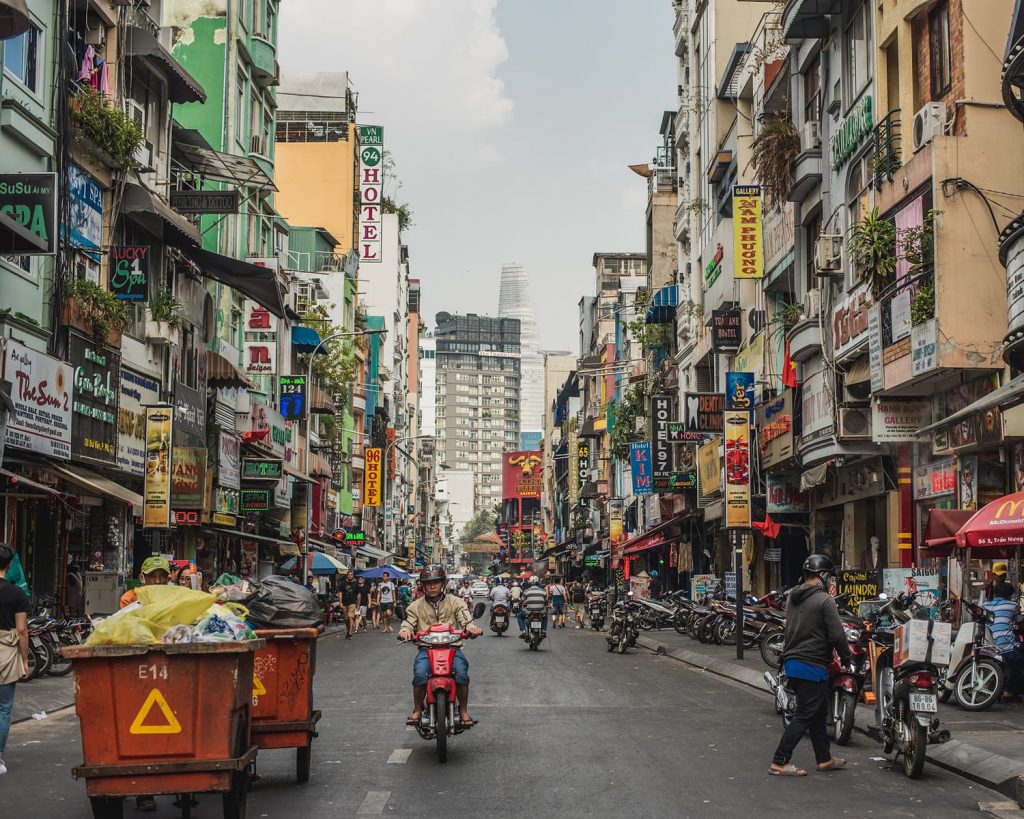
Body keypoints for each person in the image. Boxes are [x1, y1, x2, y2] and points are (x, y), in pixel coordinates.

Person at [769, 554, 852, 776]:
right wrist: (847, 659)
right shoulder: (825, 600)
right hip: (812, 664)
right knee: (806, 713)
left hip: (792, 663)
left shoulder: (792, 598)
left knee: (817, 712)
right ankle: (780, 760)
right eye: (829, 577)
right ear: (822, 575)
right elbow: (837, 635)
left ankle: (824, 759)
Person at [118, 555, 171, 812]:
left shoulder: (176, 598)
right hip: (136, 668)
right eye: (153, 576)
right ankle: (142, 789)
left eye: (162, 575)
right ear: (143, 578)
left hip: (170, 669)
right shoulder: (130, 598)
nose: (158, 580)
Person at [399, 565, 482, 726]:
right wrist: (405, 631)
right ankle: (417, 709)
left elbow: (466, 619)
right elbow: (407, 623)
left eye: (436, 582)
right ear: (422, 585)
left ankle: (463, 710)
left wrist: (472, 628)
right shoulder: (415, 606)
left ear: (443, 583)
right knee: (420, 674)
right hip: (426, 649)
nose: (432, 586)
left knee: (462, 674)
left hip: (452, 648)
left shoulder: (456, 602)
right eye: (428, 583)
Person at [0, 544, 30, 777]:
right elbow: (22, 631)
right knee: (3, 708)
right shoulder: (16, 593)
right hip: (6, 652)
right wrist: (25, 659)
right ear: (9, 566)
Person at [984, 581, 1023, 700]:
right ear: (1009, 595)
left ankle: (995, 686)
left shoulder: (986, 605)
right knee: (1019, 658)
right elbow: (1021, 624)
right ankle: (1009, 691)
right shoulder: (1012, 605)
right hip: (1004, 646)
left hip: (987, 646)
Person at [337, 570, 363, 639]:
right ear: (347, 575)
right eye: (349, 574)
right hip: (344, 603)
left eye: (351, 574)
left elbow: (359, 594)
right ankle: (349, 630)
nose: (350, 576)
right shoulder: (343, 584)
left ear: (353, 576)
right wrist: (340, 602)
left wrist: (358, 604)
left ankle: (350, 633)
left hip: (352, 602)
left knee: (350, 616)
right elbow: (340, 593)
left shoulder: (355, 584)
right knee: (346, 619)